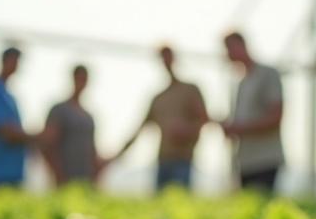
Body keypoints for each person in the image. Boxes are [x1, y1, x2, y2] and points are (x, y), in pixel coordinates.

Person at [110, 45, 208, 189]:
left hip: (183, 160)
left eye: (168, 56)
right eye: (162, 57)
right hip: (162, 161)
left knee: (180, 206)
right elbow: (139, 129)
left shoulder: (191, 90)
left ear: (174, 58)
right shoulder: (158, 98)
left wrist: (185, 131)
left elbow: (204, 120)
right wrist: (113, 158)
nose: (166, 61)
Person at [221, 31, 285, 191]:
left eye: (229, 47)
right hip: (245, 162)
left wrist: (240, 128)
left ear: (241, 45)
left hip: (265, 160)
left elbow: (276, 116)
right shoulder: (241, 82)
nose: (227, 53)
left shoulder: (267, 74)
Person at [0, 46, 37, 189]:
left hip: (14, 172)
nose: (17, 65)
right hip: (0, 173)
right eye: (14, 60)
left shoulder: (9, 95)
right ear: (5, 61)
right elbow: (5, 131)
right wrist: (35, 137)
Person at [38, 64, 103, 185]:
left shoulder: (88, 117)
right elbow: (48, 144)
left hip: (85, 178)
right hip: (64, 178)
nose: (81, 83)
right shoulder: (59, 110)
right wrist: (57, 172)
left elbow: (92, 150)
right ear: (73, 79)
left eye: (84, 80)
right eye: (79, 79)